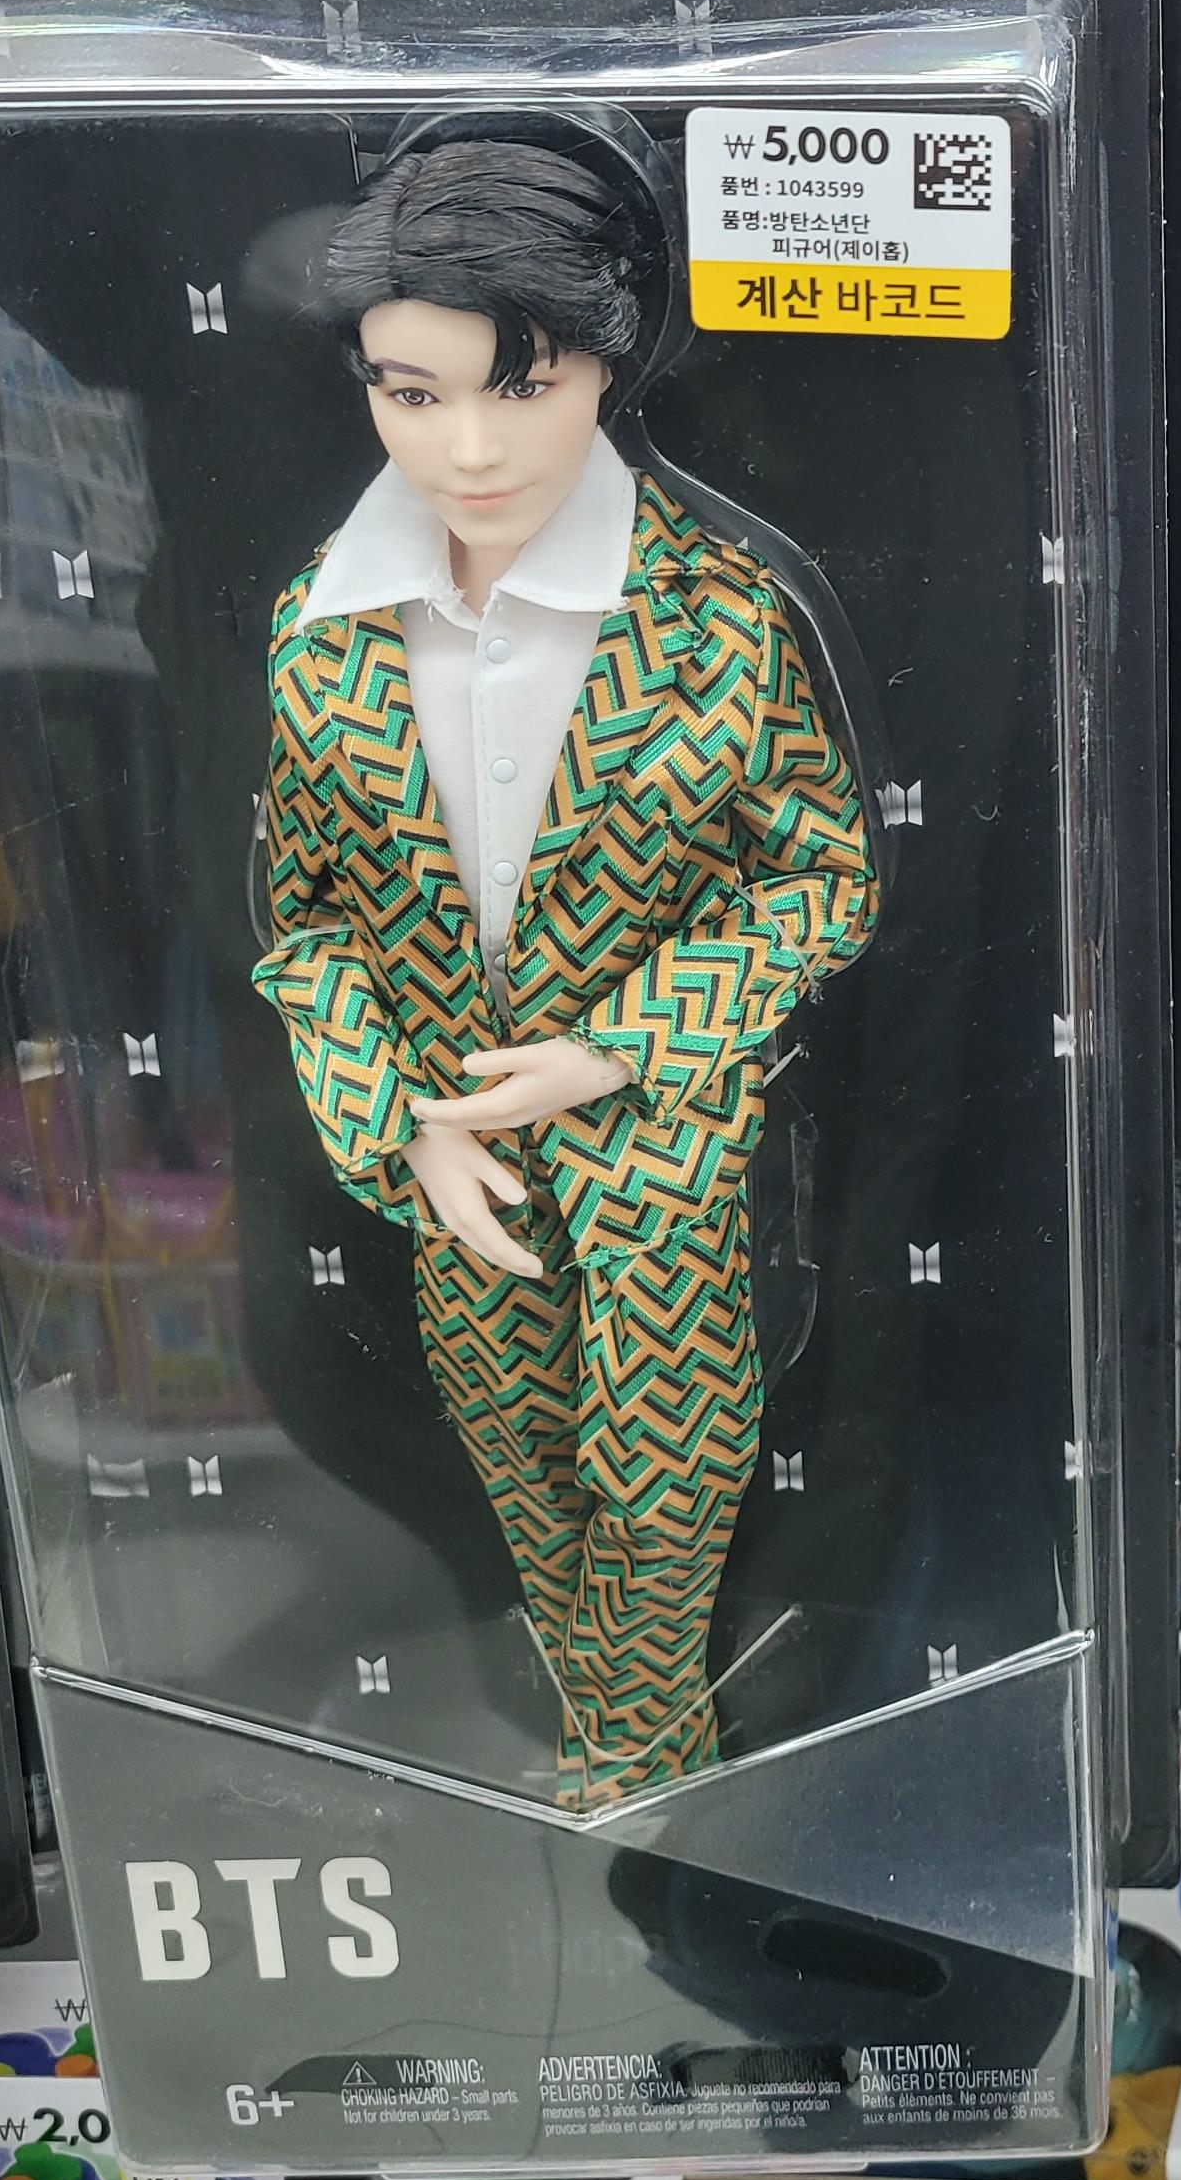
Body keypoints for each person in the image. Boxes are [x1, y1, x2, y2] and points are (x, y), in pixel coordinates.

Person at [254, 136, 876, 1805]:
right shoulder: (324, 629)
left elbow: (823, 879)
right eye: (411, 394)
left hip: (661, 1155)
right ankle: (624, 1755)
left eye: (521, 387)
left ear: (611, 359)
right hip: (460, 1157)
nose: (467, 448)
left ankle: (637, 1753)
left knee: (670, 1475)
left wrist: (623, 1046)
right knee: (522, 1467)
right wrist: (402, 1122)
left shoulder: (718, 618)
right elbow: (304, 921)